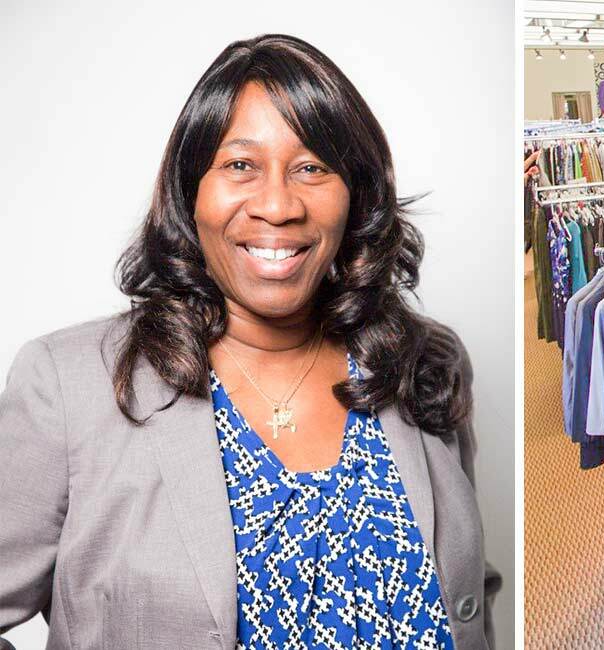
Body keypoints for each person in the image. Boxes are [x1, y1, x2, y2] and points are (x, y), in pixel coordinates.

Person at [0, 34, 499, 649]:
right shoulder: (69, 384)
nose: (278, 205)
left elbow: (468, 587)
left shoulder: (422, 361)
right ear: (192, 191)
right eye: (241, 165)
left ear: (356, 196)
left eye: (312, 167)